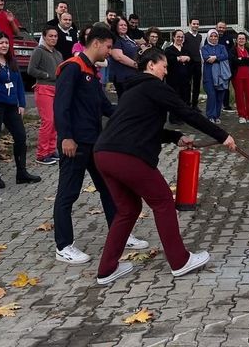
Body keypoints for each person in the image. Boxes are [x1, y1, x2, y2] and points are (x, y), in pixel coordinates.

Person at [93, 47, 237, 284]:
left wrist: (174, 137)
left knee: (128, 210)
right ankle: (180, 261)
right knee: (162, 202)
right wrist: (222, 136)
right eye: (164, 66)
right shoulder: (153, 86)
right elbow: (187, 111)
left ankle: (107, 269)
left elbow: (142, 125)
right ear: (151, 65)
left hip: (104, 154)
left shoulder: (135, 89)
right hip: (127, 156)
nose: (166, 71)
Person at [53, 26, 149, 264]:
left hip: (95, 143)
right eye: (108, 46)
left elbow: (105, 107)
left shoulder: (91, 72)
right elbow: (61, 106)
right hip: (74, 144)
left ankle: (121, 233)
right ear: (96, 43)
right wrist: (66, 137)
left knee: (109, 189)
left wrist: (133, 112)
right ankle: (63, 245)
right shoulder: (72, 68)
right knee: (68, 194)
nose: (110, 51)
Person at [0, 31, 41, 188]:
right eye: (1, 43)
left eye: (6, 43)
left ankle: (21, 172)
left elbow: (19, 84)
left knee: (20, 137)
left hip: (11, 105)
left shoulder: (11, 62)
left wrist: (21, 104)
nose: (5, 45)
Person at [28, 26, 64, 165]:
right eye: (50, 36)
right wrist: (47, 75)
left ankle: (50, 150)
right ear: (44, 37)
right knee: (47, 121)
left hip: (57, 89)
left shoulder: (58, 54)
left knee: (55, 121)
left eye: (55, 36)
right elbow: (31, 69)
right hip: (44, 89)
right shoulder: (39, 51)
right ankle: (41, 154)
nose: (53, 38)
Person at [201, 29, 230, 124]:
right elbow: (206, 58)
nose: (213, 38)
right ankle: (210, 116)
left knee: (219, 96)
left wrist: (215, 57)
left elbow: (225, 55)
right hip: (209, 76)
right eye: (211, 36)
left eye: (215, 36)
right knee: (212, 95)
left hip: (221, 76)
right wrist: (218, 57)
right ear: (208, 37)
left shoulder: (222, 46)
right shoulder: (204, 48)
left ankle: (217, 115)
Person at [164, 29, 192, 123]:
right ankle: (173, 118)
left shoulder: (186, 50)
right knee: (175, 99)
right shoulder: (169, 50)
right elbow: (169, 60)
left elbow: (190, 61)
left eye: (181, 37)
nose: (180, 39)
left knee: (184, 99)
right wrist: (180, 58)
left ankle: (182, 117)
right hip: (173, 80)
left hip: (185, 79)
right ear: (173, 37)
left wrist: (187, 58)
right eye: (178, 37)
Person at [229, 32, 249, 124]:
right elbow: (234, 61)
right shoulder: (233, 50)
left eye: (243, 39)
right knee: (239, 96)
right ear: (236, 40)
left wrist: (242, 59)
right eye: (239, 38)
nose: (241, 40)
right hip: (237, 76)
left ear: (245, 40)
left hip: (248, 76)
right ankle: (242, 115)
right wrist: (245, 60)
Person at [108, 16, 139, 99]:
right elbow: (118, 57)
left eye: (125, 25)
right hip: (122, 77)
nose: (124, 27)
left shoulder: (128, 38)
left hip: (132, 75)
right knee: (126, 101)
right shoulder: (115, 39)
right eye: (121, 25)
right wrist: (136, 65)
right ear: (115, 26)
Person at [182, 18, 204, 110]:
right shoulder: (185, 36)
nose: (195, 25)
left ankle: (195, 105)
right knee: (187, 84)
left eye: (197, 24)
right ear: (190, 24)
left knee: (197, 84)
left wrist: (202, 59)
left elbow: (200, 49)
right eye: (194, 23)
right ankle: (187, 104)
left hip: (198, 62)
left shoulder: (200, 37)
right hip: (188, 63)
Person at [216, 21, 237, 112]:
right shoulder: (213, 36)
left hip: (226, 66)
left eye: (223, 28)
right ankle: (217, 103)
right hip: (215, 64)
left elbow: (232, 51)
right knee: (216, 84)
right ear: (216, 27)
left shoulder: (229, 38)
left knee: (225, 85)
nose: (221, 29)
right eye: (220, 27)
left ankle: (226, 104)